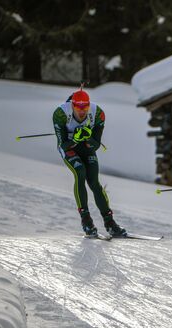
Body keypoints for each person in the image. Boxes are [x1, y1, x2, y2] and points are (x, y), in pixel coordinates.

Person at [53, 88, 126, 237]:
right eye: (78, 108)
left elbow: (96, 144)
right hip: (69, 149)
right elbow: (63, 145)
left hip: (85, 148)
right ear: (72, 105)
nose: (82, 112)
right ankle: (86, 221)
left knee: (94, 182)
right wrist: (75, 139)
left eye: (85, 107)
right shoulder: (60, 114)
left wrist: (86, 138)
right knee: (80, 172)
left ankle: (110, 223)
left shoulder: (98, 113)